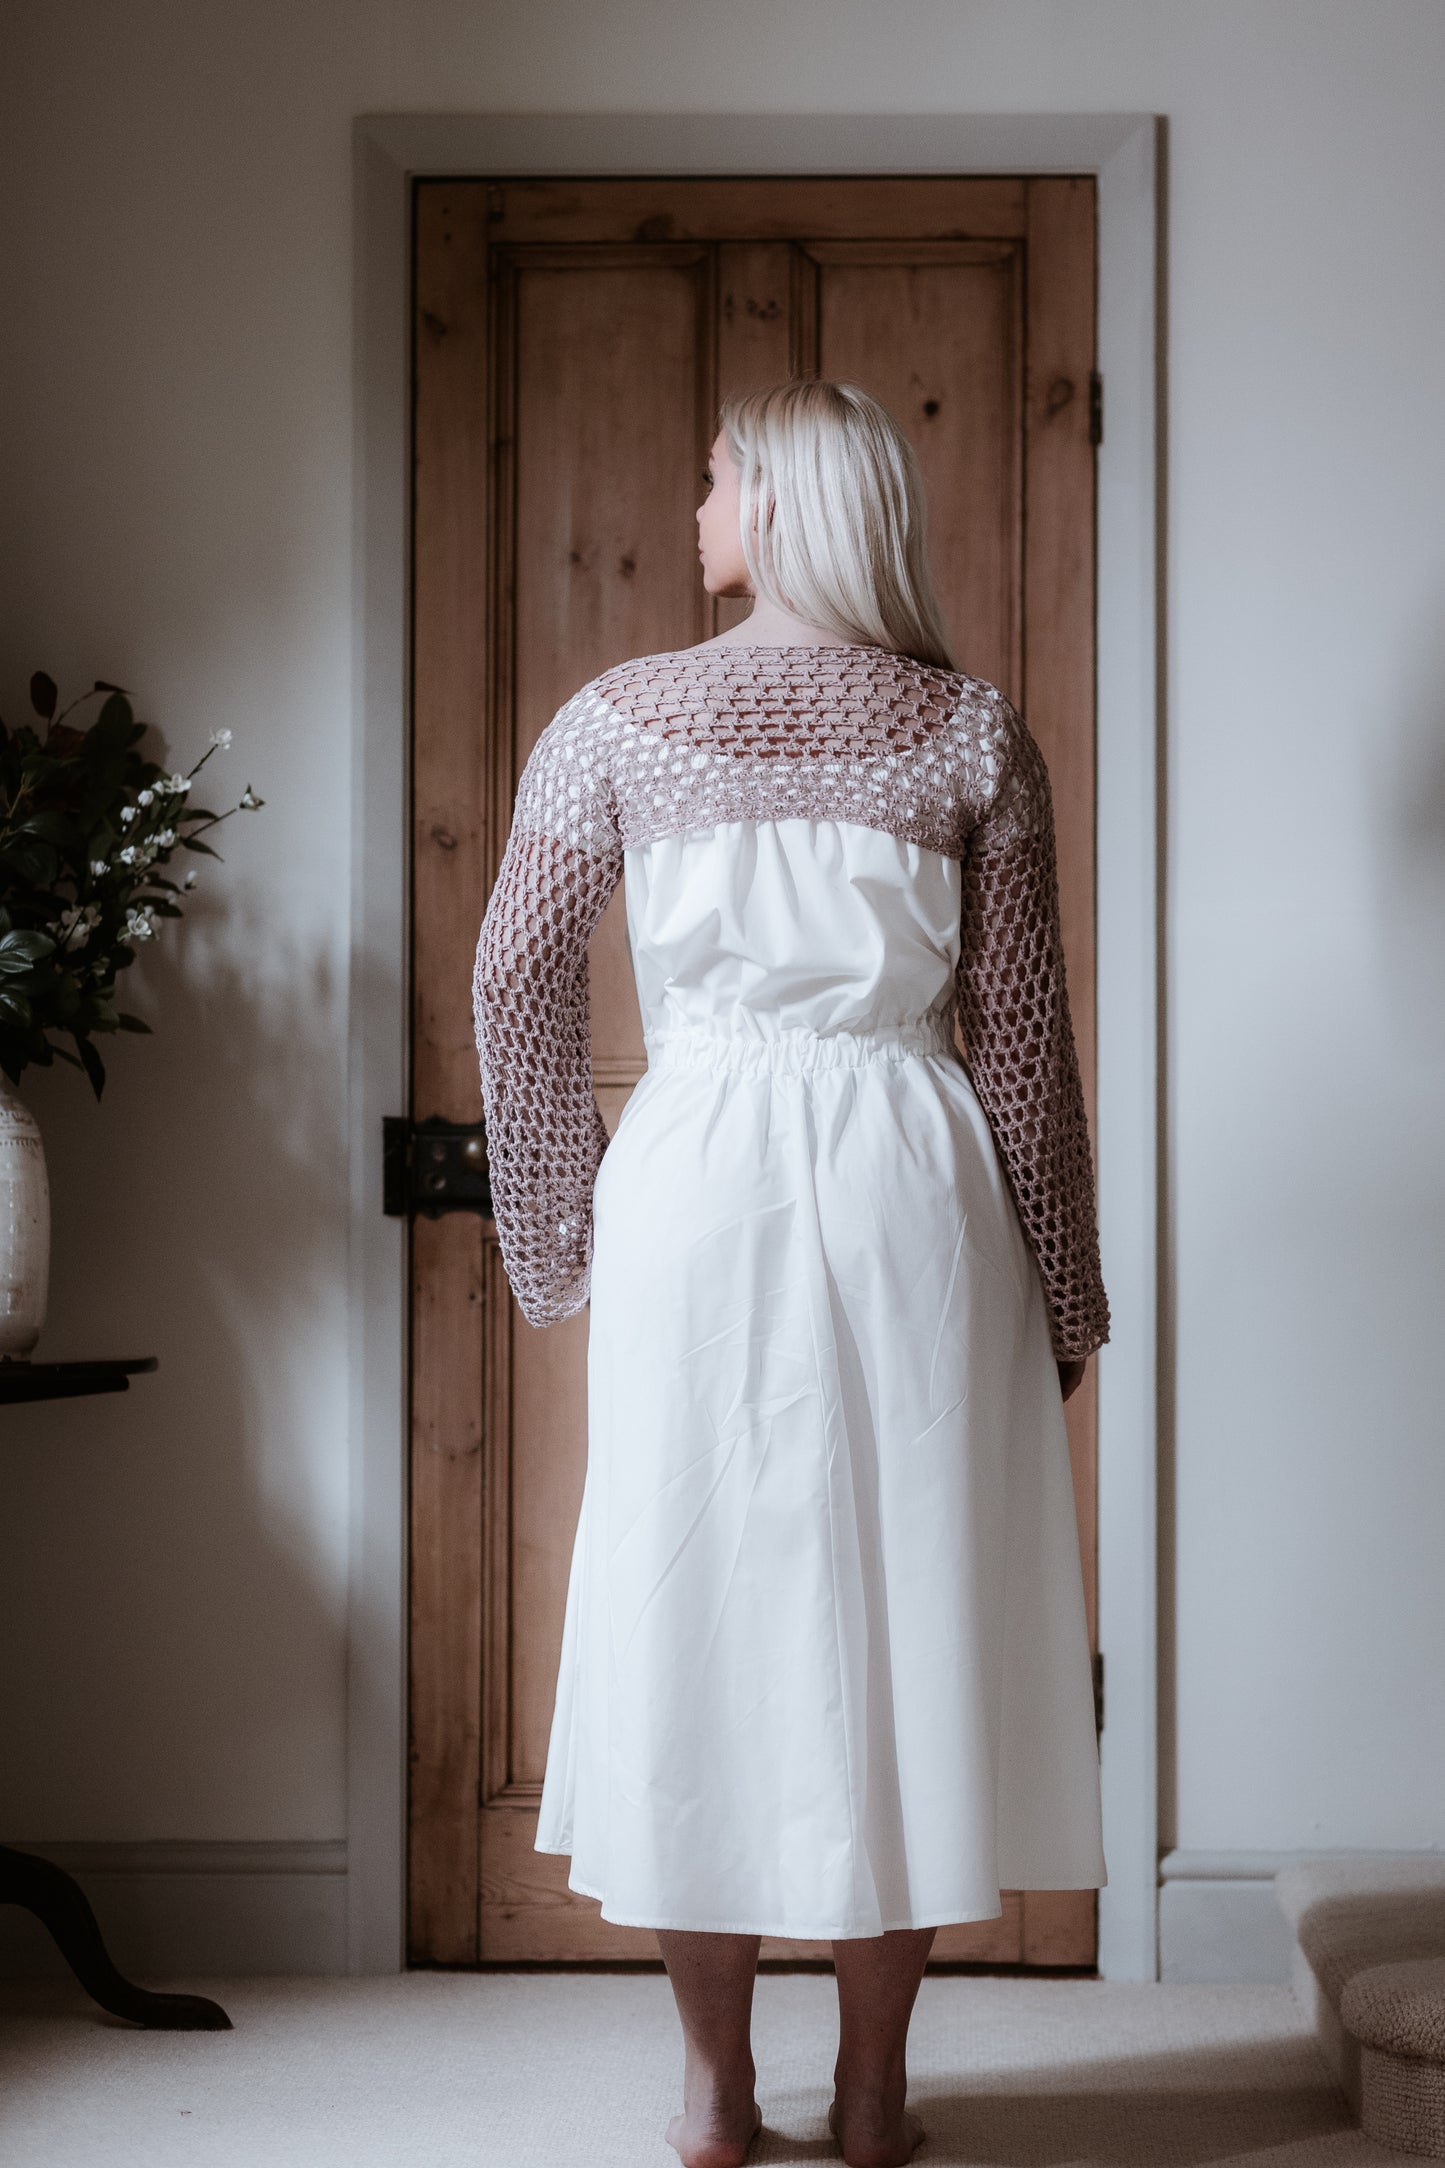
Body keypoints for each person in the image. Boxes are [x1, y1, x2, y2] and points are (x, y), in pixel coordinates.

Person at [473, 379, 1110, 2168]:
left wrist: (556, 1206)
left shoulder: (615, 718)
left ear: (777, 500)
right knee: (908, 1607)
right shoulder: (976, 733)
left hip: (699, 1171)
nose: (695, 508)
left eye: (713, 476)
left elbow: (512, 973)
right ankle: (877, 2089)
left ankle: (711, 2091)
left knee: (696, 1613)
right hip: (916, 1171)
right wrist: (1061, 1283)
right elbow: (1021, 1048)